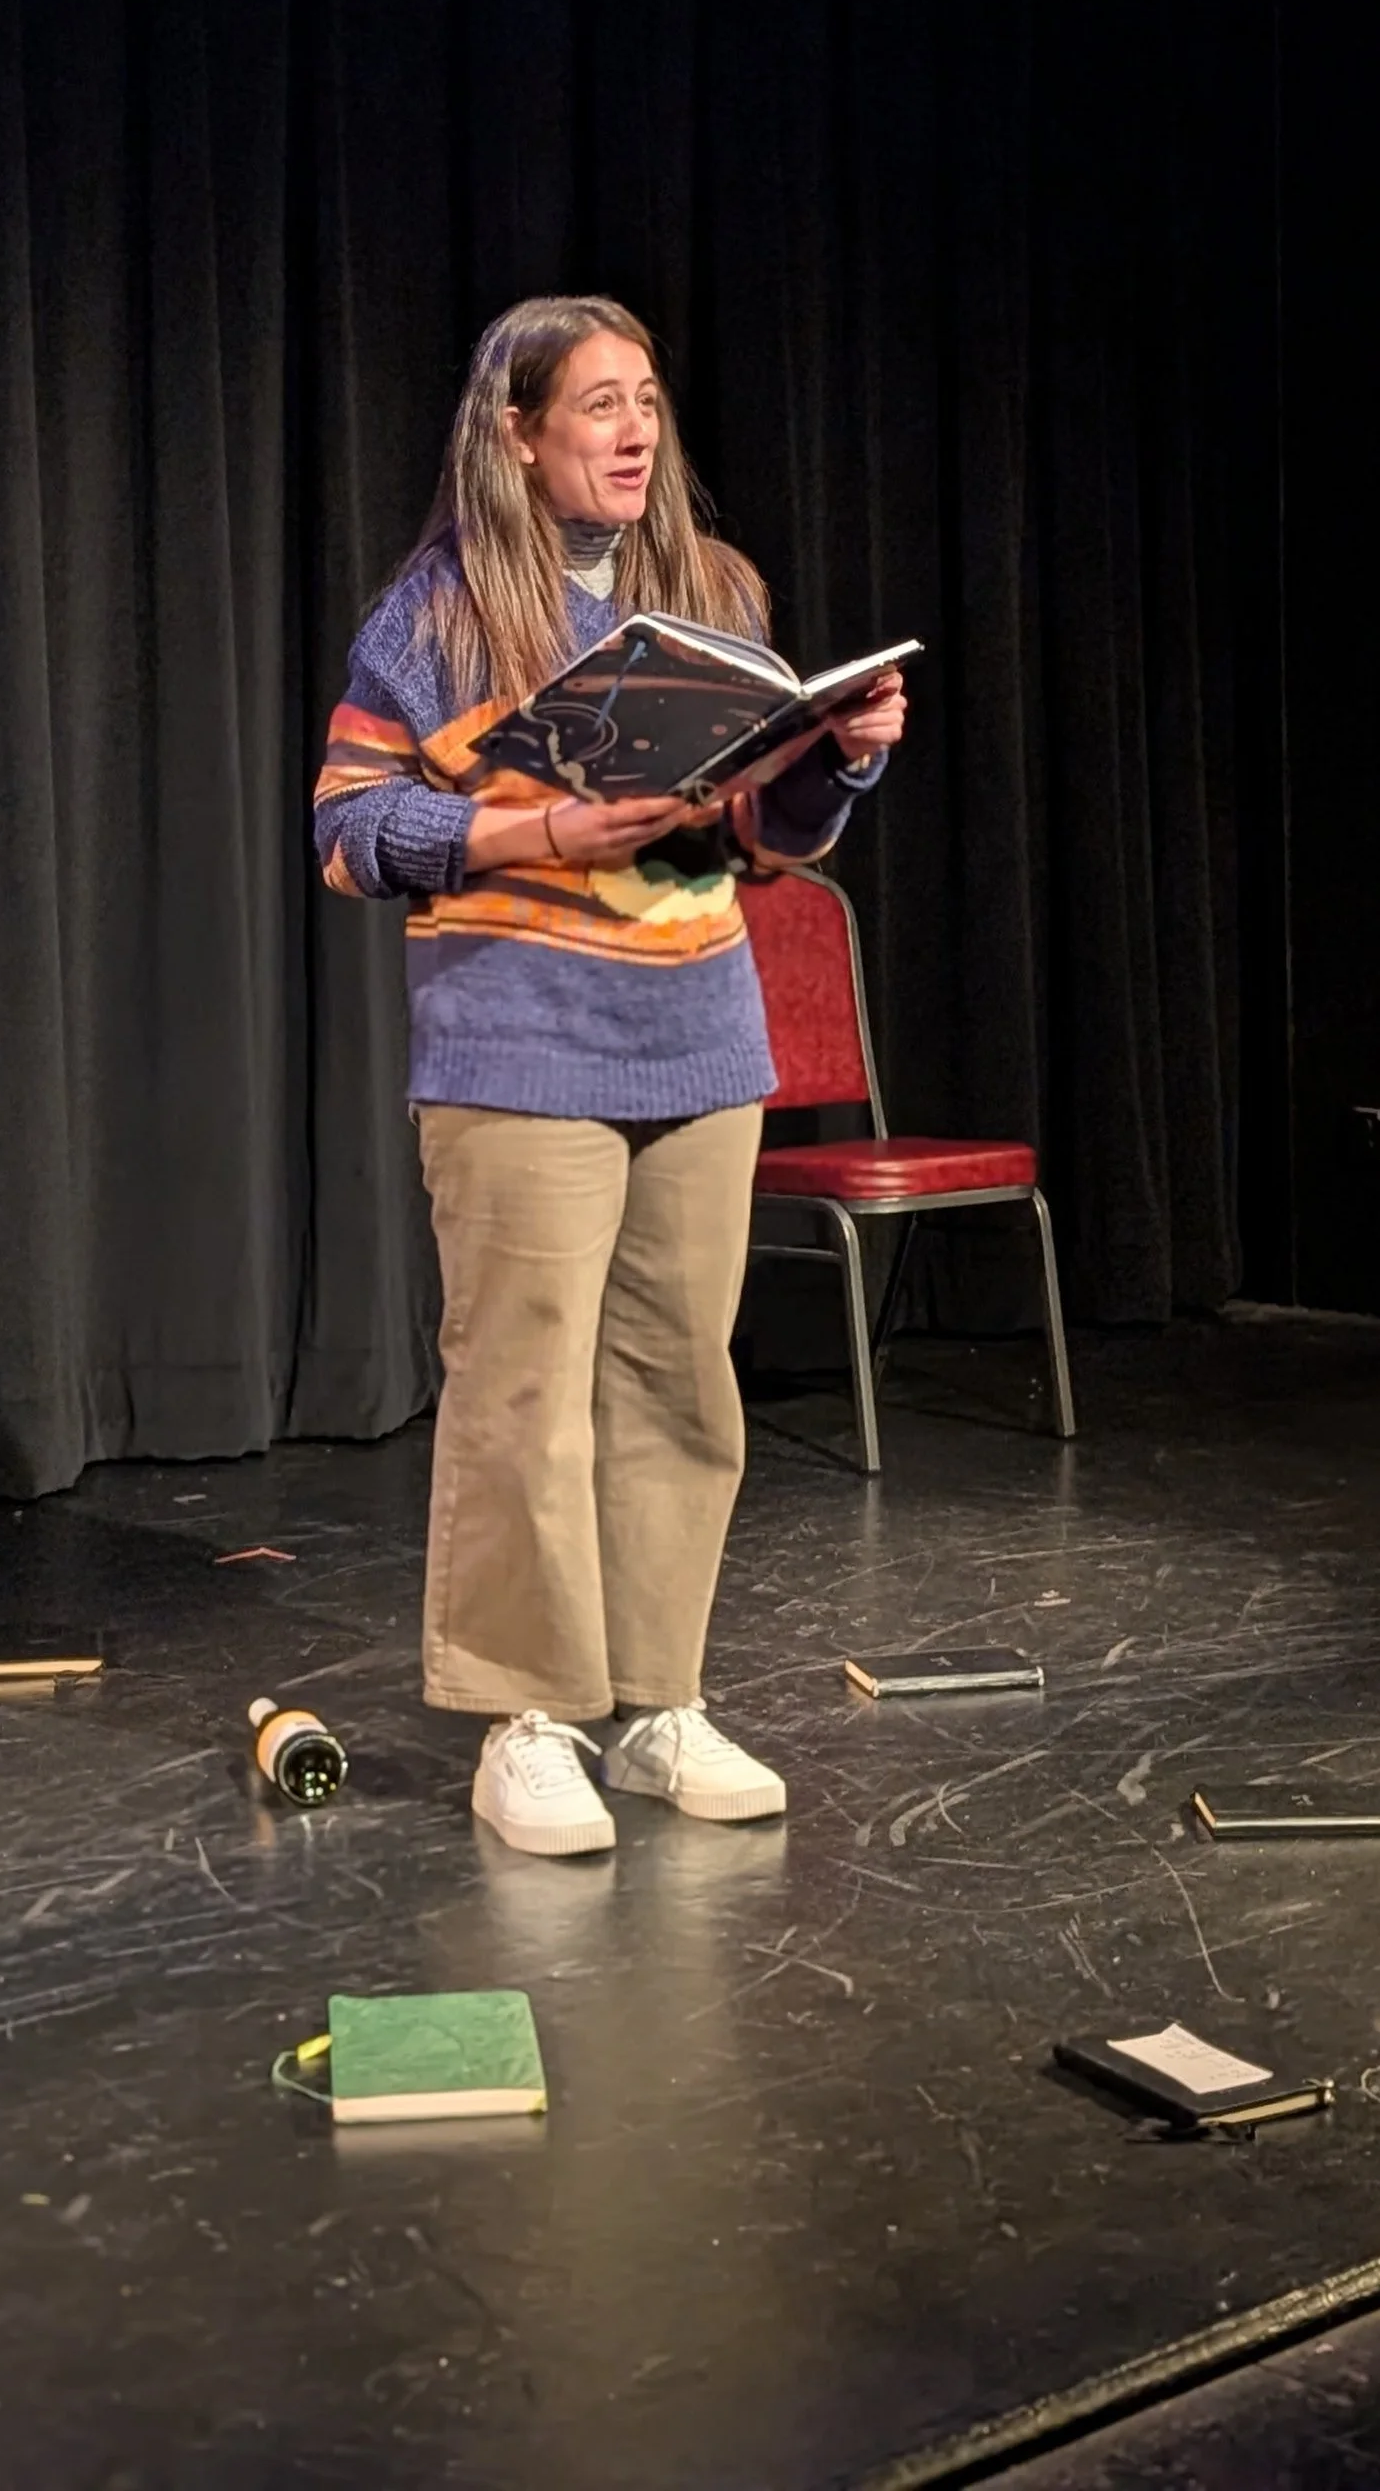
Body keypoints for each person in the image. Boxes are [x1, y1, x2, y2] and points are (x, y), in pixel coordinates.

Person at [312, 297, 907, 1856]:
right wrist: (538, 832)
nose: (635, 433)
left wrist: (835, 759)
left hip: (699, 1037)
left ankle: (658, 1705)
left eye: (647, 403)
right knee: (525, 1393)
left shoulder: (712, 593)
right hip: (521, 1046)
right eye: (597, 408)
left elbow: (763, 843)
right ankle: (528, 1721)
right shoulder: (437, 619)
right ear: (516, 435)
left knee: (674, 1379)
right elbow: (352, 831)